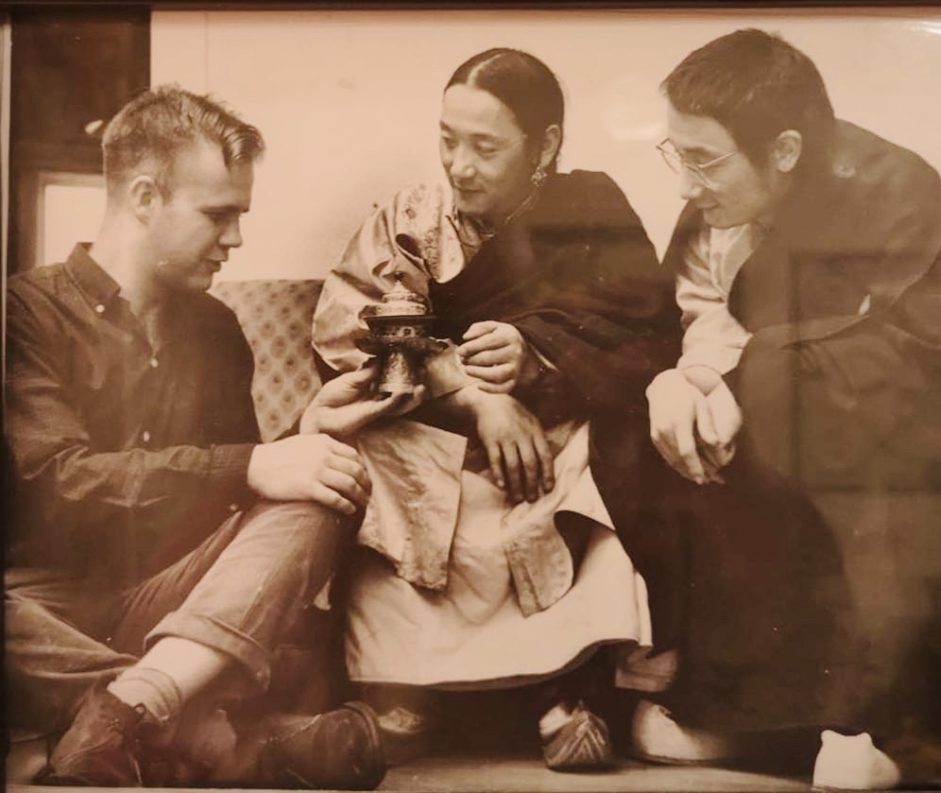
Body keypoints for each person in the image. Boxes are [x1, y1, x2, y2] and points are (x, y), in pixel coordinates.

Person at [3, 85, 411, 789]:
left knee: (322, 484)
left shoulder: (217, 330)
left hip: (177, 612)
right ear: (143, 198)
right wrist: (254, 462)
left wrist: (302, 436)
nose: (236, 239)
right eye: (217, 214)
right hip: (43, 613)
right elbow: (57, 482)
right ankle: (194, 730)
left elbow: (238, 503)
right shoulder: (23, 314)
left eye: (240, 216)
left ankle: (129, 713)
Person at [623, 28, 941, 789]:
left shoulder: (892, 186)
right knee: (632, 415)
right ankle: (734, 714)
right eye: (676, 156)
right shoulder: (714, 202)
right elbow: (682, 321)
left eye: (704, 160)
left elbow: (934, 351)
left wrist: (751, 376)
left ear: (783, 150)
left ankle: (859, 722)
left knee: (805, 428)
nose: (685, 184)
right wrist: (676, 384)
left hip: (885, 434)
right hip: (754, 408)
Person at [311, 48, 679, 771]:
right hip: (426, 430)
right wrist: (475, 395)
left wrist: (538, 355)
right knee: (362, 454)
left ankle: (560, 691)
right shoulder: (408, 219)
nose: (460, 164)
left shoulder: (592, 208)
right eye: (448, 139)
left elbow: (646, 333)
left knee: (600, 448)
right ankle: (410, 685)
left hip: (550, 429)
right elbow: (347, 338)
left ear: (544, 147)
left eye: (485, 146)